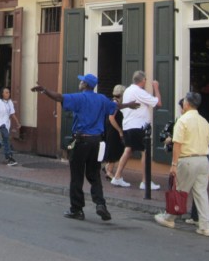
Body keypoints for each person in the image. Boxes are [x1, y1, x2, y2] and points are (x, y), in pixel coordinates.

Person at [32, 73, 138, 221]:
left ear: (85, 85)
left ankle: (77, 209)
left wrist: (44, 90)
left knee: (77, 176)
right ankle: (101, 204)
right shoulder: (101, 99)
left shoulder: (79, 97)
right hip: (96, 141)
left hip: (81, 141)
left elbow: (59, 97)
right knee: (94, 175)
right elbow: (116, 106)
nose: (80, 83)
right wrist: (129, 105)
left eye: (82, 81)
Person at [154, 91, 209, 236]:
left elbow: (177, 144)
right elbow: (208, 142)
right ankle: (205, 226)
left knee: (180, 190)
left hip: (187, 159)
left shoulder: (183, 120)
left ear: (186, 104)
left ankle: (170, 217)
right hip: (203, 159)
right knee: (201, 193)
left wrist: (174, 164)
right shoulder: (204, 121)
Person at [111, 70, 161, 190]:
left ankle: (117, 177)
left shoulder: (128, 90)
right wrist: (156, 87)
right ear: (143, 80)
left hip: (128, 125)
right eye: (145, 80)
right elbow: (158, 103)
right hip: (138, 126)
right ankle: (145, 181)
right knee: (145, 152)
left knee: (128, 150)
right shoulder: (138, 91)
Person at [103, 85, 126, 181]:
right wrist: (119, 130)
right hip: (113, 130)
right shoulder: (115, 104)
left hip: (110, 129)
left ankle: (107, 166)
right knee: (115, 149)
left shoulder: (112, 101)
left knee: (113, 148)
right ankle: (109, 171)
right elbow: (111, 118)